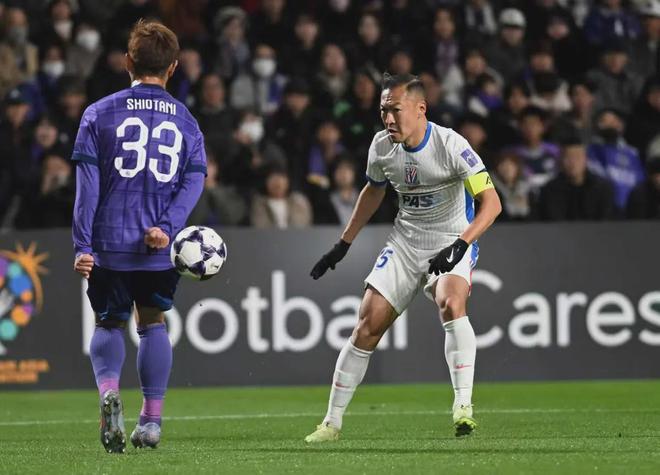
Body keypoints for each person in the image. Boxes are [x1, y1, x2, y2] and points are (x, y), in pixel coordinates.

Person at [304, 73, 502, 443]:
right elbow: (373, 190)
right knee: (366, 326)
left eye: (395, 110)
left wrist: (462, 243)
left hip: (451, 238)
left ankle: (463, 406)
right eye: (383, 111)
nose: (388, 119)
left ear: (420, 108)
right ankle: (331, 424)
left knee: (451, 302)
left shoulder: (451, 145)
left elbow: (492, 204)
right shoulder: (381, 146)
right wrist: (343, 244)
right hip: (405, 242)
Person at [71, 20, 206, 453]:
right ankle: (151, 421)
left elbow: (87, 188)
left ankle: (109, 390)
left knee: (108, 322)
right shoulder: (187, 122)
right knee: (151, 323)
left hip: (109, 243)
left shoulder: (98, 113)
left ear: (127, 62)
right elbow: (194, 181)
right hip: (156, 248)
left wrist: (82, 244)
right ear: (173, 68)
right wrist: (167, 228)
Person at [538, 140, 615, 220]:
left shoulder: (603, 188)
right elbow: (553, 221)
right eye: (568, 157)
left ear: (586, 159)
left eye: (577, 157)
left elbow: (605, 221)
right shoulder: (549, 190)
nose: (573, 162)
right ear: (560, 160)